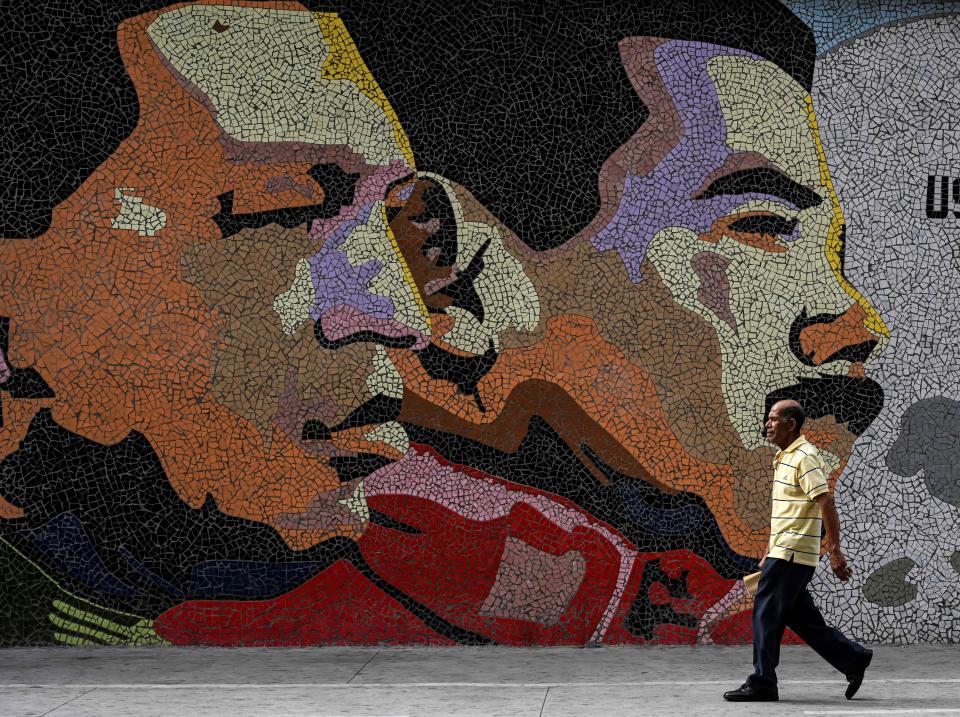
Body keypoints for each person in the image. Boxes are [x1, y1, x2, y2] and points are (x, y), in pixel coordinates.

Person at [723, 399, 873, 701]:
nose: (767, 423)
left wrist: (835, 550)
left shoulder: (805, 456)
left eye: (774, 419)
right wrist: (769, 547)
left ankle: (763, 682)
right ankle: (852, 658)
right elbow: (789, 510)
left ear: (791, 424)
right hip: (784, 550)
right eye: (768, 418)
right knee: (800, 617)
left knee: (765, 613)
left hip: (792, 553)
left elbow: (825, 501)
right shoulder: (784, 457)